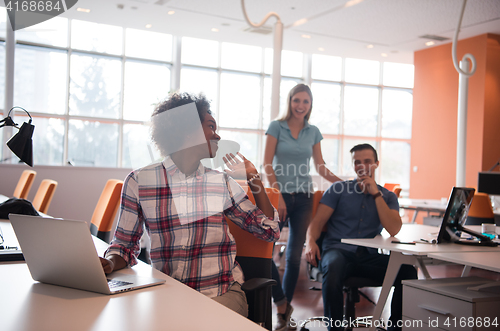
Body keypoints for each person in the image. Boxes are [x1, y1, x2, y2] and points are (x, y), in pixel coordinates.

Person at [101, 92, 280, 316]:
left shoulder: (220, 182)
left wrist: (254, 177)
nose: (217, 135)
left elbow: (269, 231)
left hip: (220, 294)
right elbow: (124, 247)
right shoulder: (139, 181)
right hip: (167, 296)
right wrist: (108, 263)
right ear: (188, 129)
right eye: (211, 127)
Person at [305, 143, 417, 331]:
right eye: (357, 162)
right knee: (333, 266)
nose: (362, 166)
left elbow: (394, 229)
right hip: (337, 251)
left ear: (376, 164)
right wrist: (309, 242)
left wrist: (375, 194)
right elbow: (316, 222)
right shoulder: (338, 189)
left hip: (367, 256)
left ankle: (396, 328)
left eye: (367, 161)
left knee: (407, 271)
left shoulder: (388, 197)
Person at [263, 83, 342, 330]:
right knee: (267, 252)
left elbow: (319, 167)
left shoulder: (313, 131)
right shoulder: (276, 127)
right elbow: (266, 164)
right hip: (280, 197)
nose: (300, 106)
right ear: (290, 101)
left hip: (305, 197)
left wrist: (345, 183)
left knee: (294, 257)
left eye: (305, 102)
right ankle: (281, 301)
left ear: (310, 105)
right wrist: (279, 196)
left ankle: (283, 313)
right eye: (297, 100)